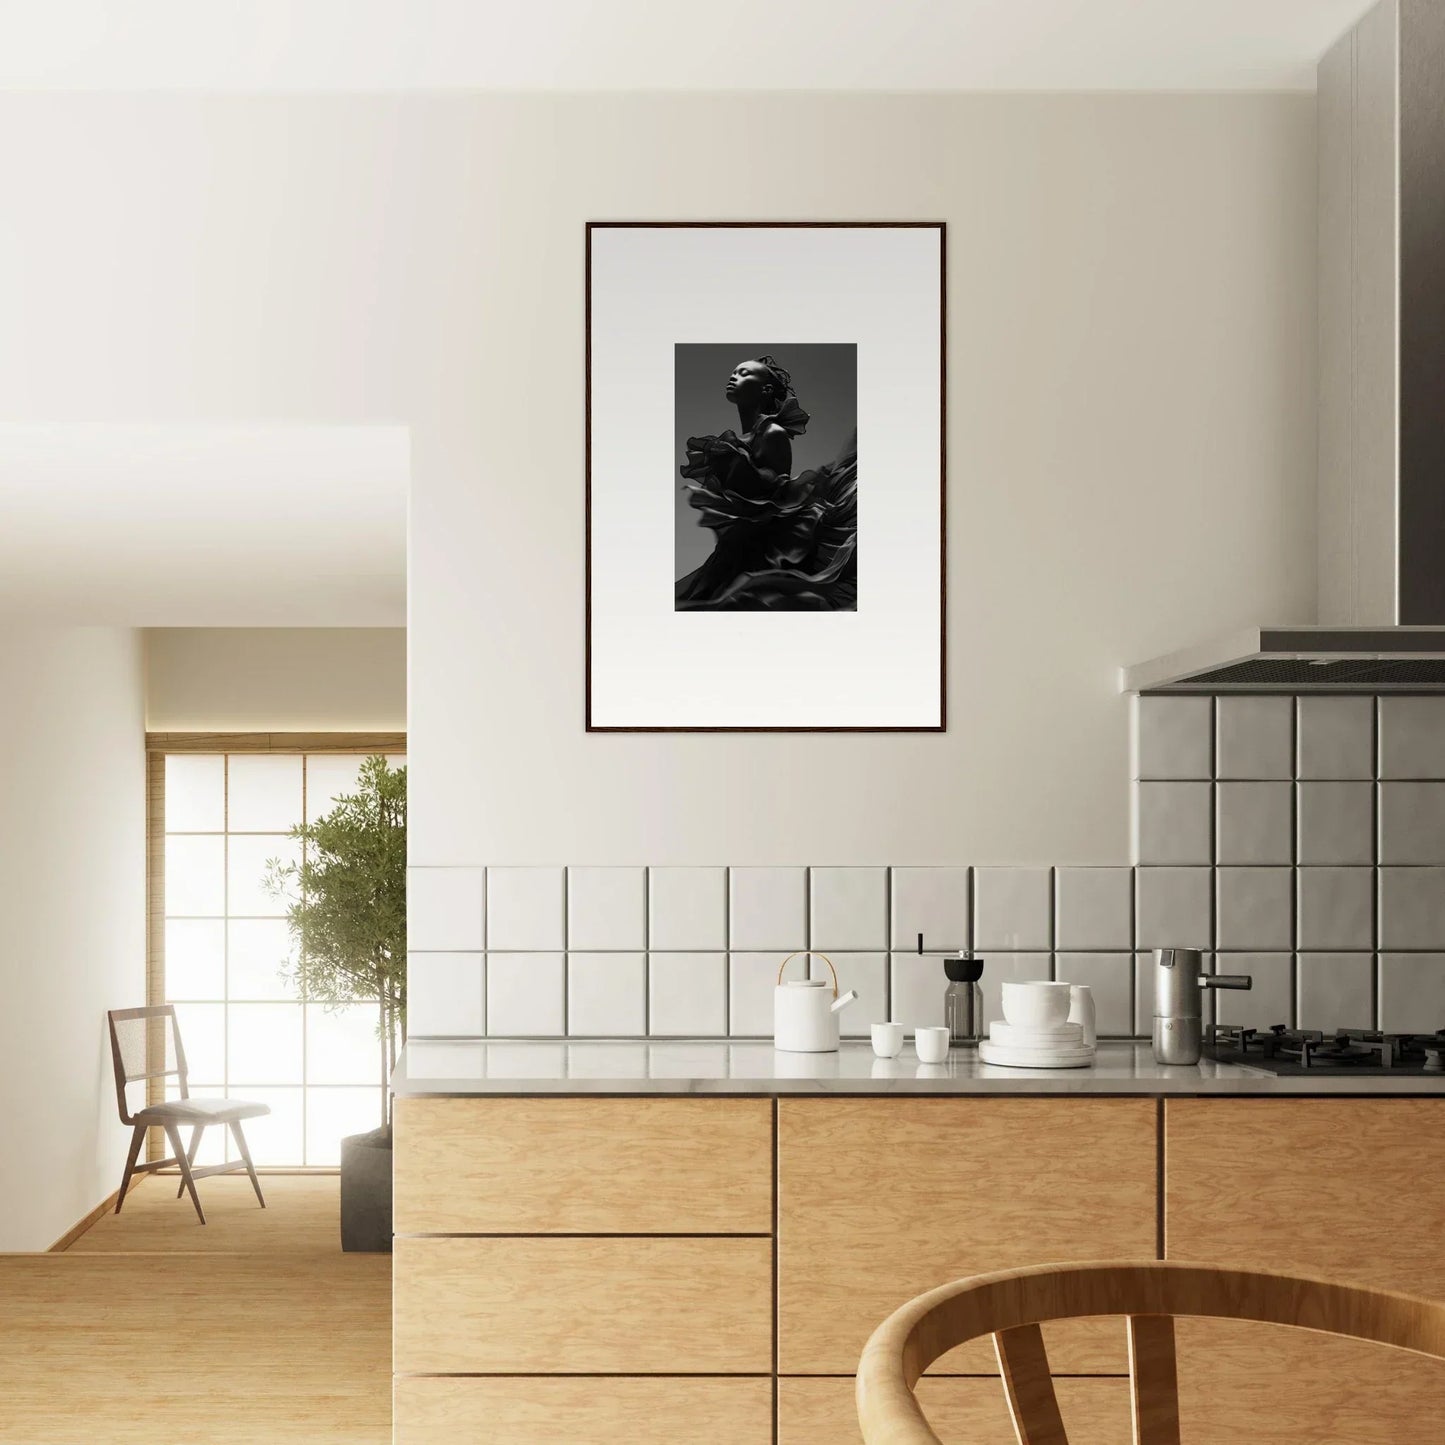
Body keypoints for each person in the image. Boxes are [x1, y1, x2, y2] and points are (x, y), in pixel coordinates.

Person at [675, 354, 857, 611]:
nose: (734, 376)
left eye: (745, 373)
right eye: (734, 371)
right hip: (740, 538)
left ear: (766, 389)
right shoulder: (745, 438)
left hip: (759, 542)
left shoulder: (772, 433)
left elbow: (777, 493)